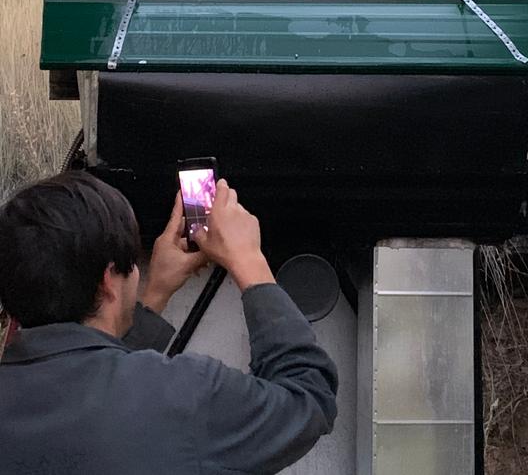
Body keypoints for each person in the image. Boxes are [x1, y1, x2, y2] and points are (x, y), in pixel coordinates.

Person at [0, 171, 337, 474]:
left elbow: (88, 387)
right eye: (132, 265)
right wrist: (248, 260)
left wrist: (155, 294)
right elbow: (307, 400)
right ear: (107, 281)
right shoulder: (183, 395)